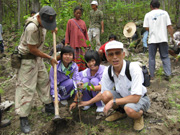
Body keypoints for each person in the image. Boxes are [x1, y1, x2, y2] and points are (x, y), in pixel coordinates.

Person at [78, 41, 150, 131]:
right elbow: (102, 92)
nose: (115, 57)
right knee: (105, 95)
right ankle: (121, 112)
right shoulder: (108, 71)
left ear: (123, 54)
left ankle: (138, 116)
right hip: (122, 97)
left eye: (117, 53)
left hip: (140, 99)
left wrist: (113, 101)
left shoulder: (133, 68)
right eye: (111, 54)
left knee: (129, 109)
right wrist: (87, 103)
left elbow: (136, 97)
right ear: (107, 58)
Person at [15, 6, 58, 134]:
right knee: (27, 88)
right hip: (27, 59)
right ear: (38, 18)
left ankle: (48, 105)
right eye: (46, 24)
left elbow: (50, 25)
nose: (46, 26)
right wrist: (49, 57)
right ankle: (23, 117)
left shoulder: (46, 16)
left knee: (44, 81)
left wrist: (52, 28)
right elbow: (32, 49)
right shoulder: (31, 28)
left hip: (37, 58)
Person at [143, 0, 174, 81]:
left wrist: (153, 28)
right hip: (163, 38)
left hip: (152, 39)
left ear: (151, 6)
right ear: (159, 6)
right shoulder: (165, 13)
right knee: (165, 56)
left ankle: (152, 75)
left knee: (152, 58)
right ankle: (168, 74)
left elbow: (146, 27)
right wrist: (172, 37)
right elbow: (169, 26)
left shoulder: (148, 15)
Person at [65, 6, 89, 71]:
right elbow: (67, 32)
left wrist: (88, 44)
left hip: (82, 43)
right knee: (74, 58)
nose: (78, 14)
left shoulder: (83, 22)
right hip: (74, 43)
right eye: (77, 13)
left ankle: (82, 71)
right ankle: (75, 71)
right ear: (74, 13)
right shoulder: (70, 21)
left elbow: (85, 33)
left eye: (79, 13)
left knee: (82, 58)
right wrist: (67, 42)